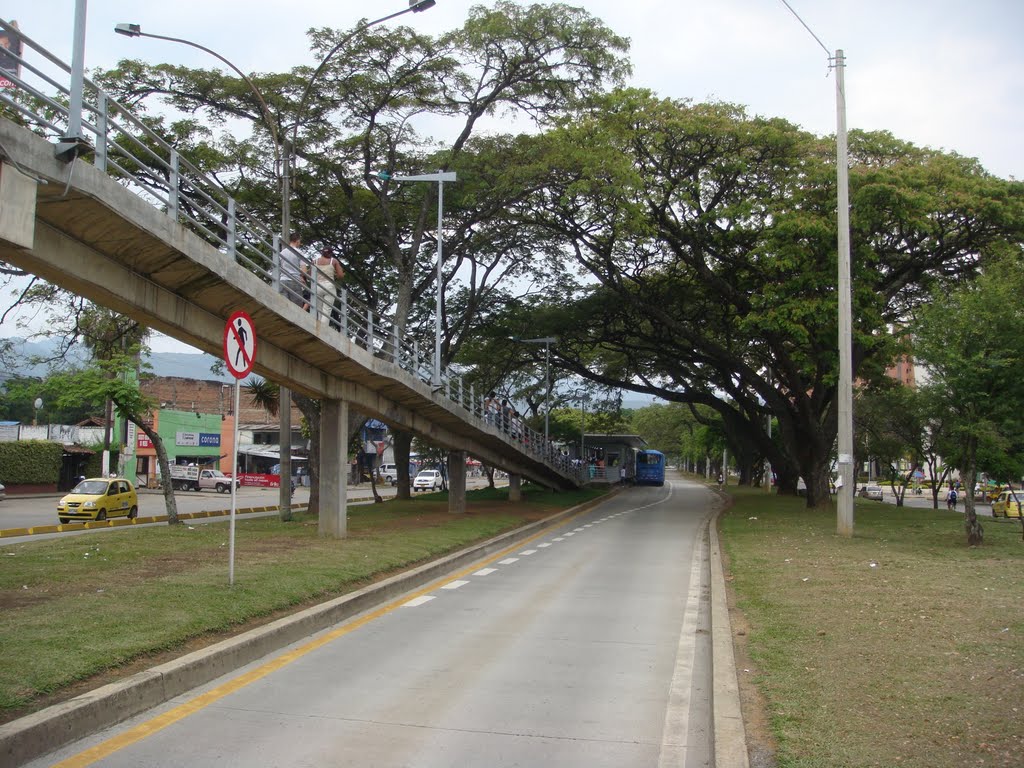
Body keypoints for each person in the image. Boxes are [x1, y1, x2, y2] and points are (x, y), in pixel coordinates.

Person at [312, 247, 344, 330]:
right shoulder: (333, 261)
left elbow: (310, 273)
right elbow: (340, 275)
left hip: (317, 286)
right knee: (327, 310)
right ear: (330, 253)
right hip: (329, 286)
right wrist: (335, 275)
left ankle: (317, 327)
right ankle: (322, 329)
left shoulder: (315, 261)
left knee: (319, 309)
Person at [279, 234, 308, 310]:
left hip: (282, 280)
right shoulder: (299, 252)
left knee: (283, 307)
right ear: (297, 241)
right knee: (296, 308)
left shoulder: (282, 252)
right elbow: (304, 270)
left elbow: (278, 267)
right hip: (295, 281)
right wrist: (302, 277)